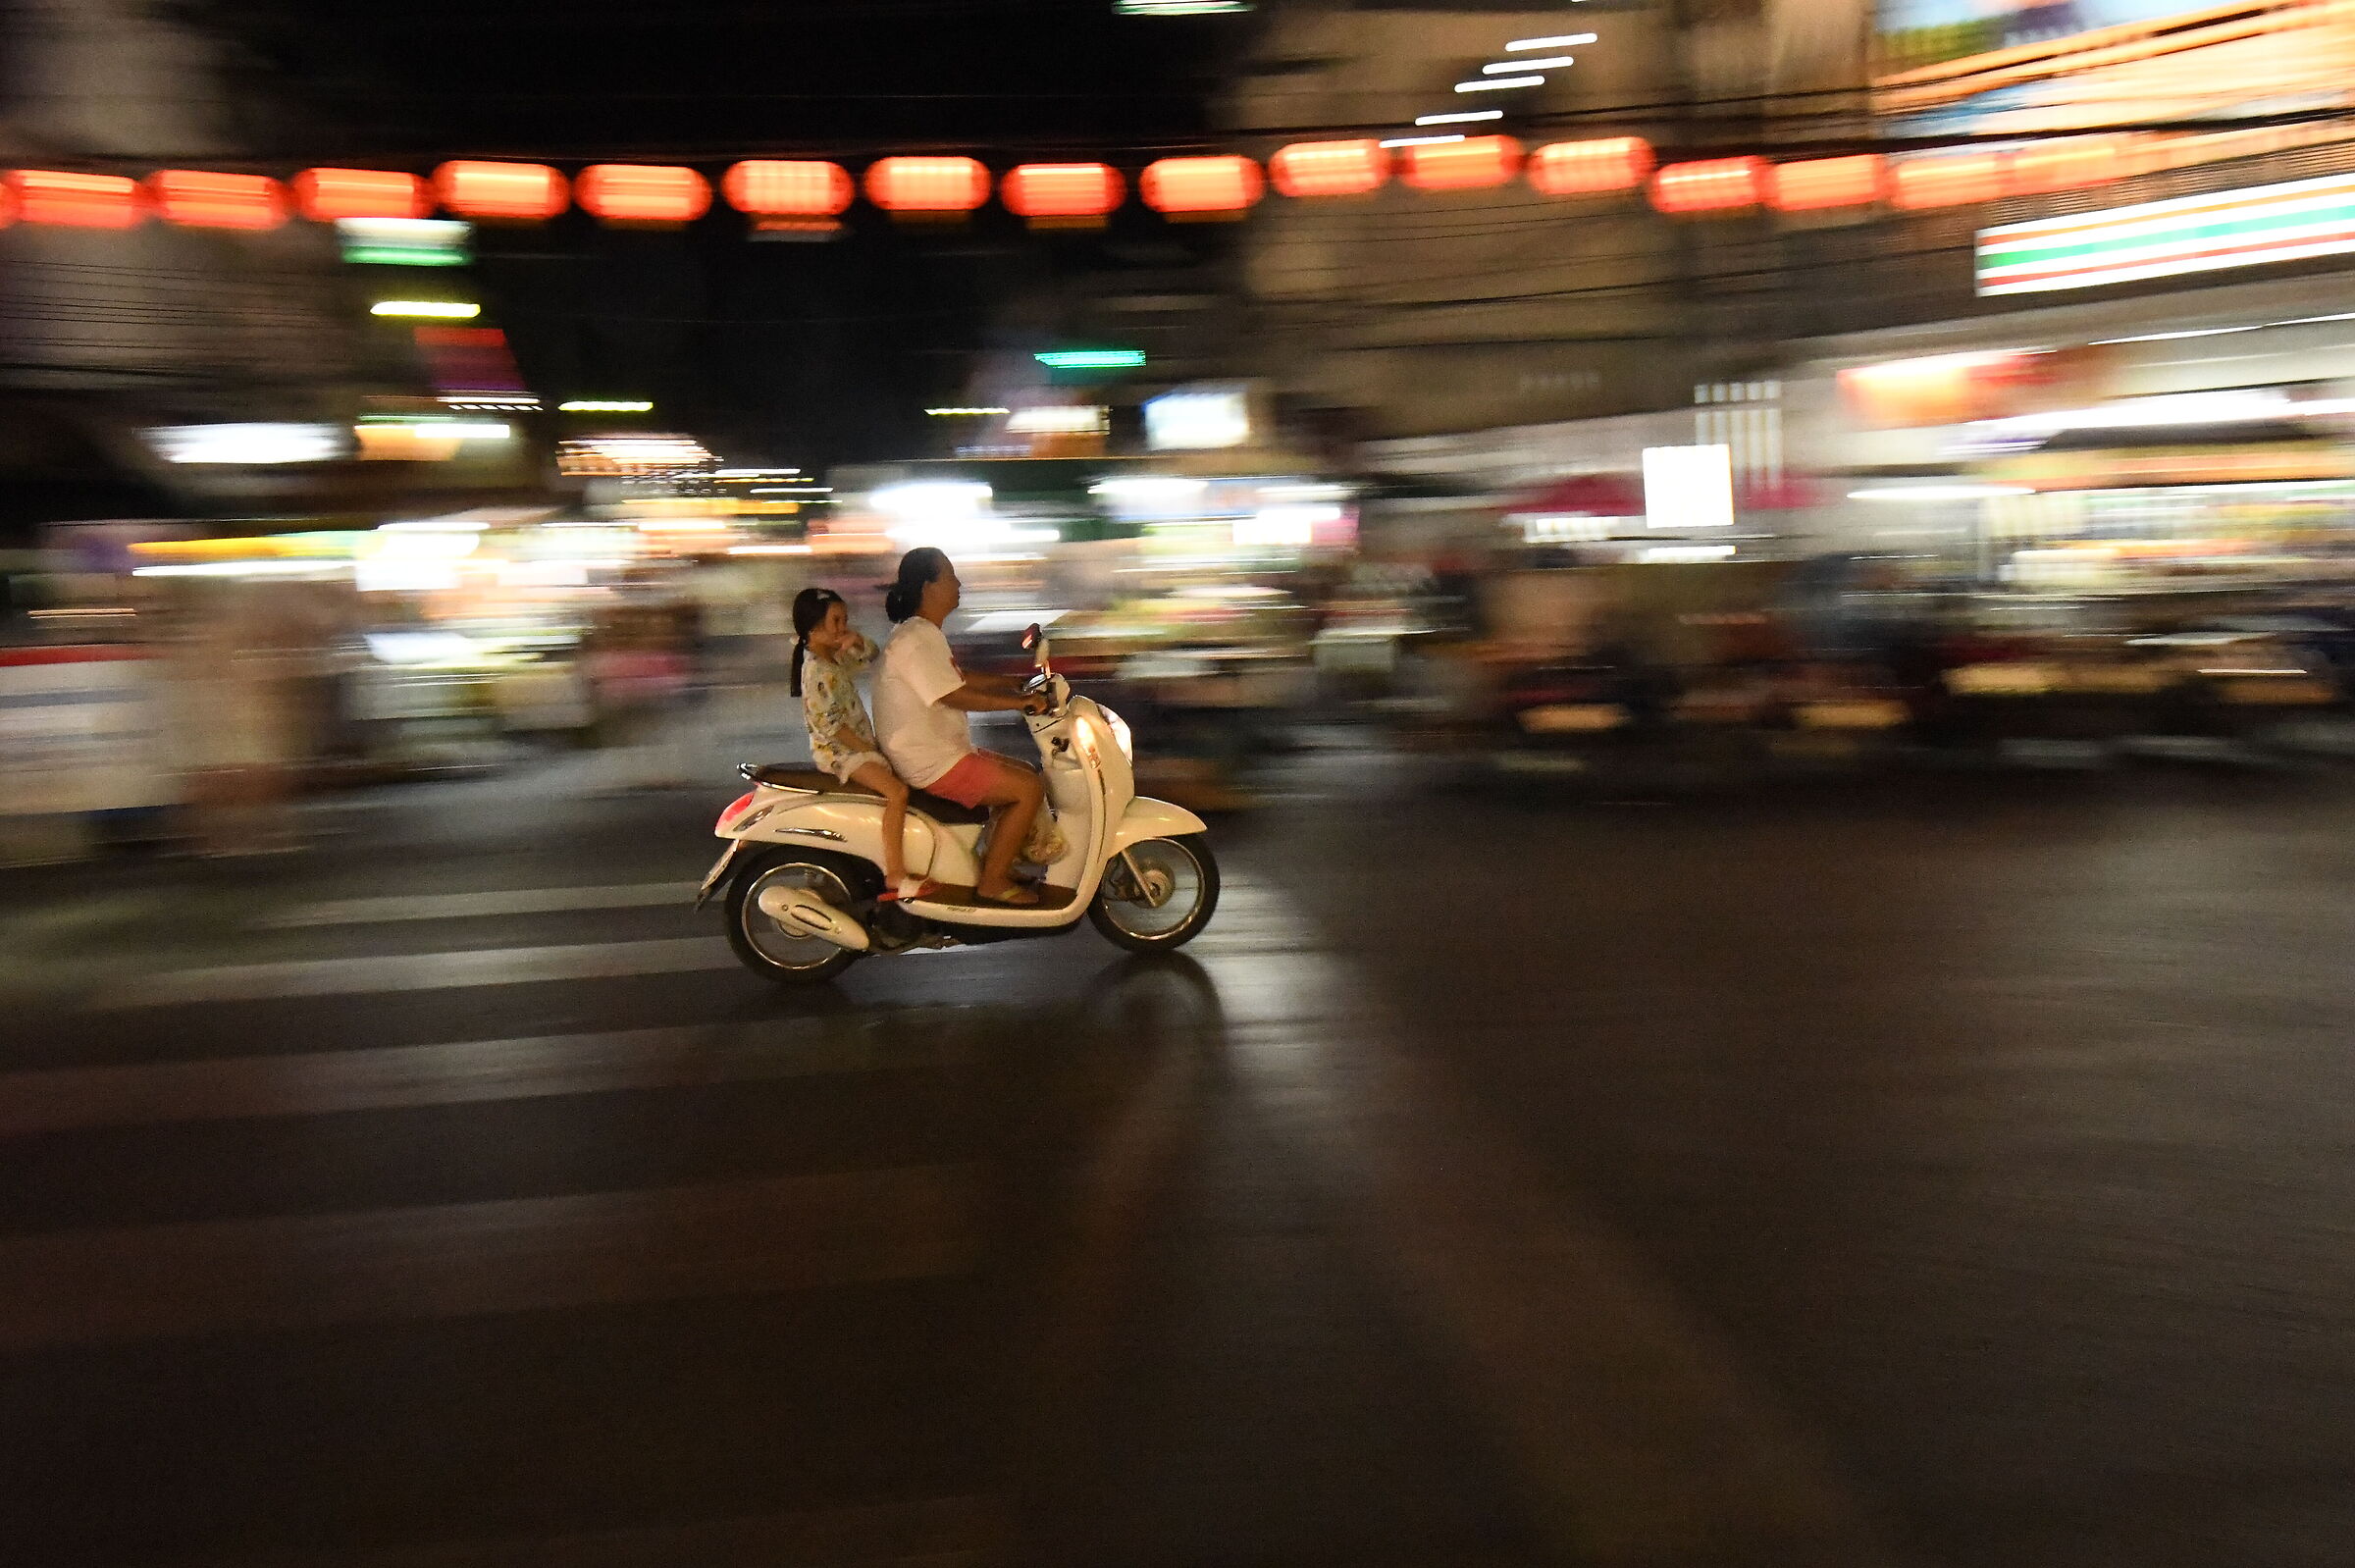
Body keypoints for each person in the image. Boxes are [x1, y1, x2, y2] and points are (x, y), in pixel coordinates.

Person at [872, 548, 1052, 906]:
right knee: (1028, 790)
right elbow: (953, 695)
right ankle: (993, 882)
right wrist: (1019, 703)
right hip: (930, 760)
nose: (958, 584)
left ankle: (993, 860)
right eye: (950, 576)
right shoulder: (917, 638)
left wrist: (1010, 683)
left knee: (1027, 772)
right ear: (928, 587)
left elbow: (959, 678)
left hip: (939, 750)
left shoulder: (921, 634)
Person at [791, 587, 936, 903]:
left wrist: (854, 638)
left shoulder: (832, 656)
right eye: (836, 621)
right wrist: (869, 751)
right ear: (814, 629)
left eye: (845, 619)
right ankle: (895, 871)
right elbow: (832, 726)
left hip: (855, 746)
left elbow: (872, 655)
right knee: (897, 793)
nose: (843, 626)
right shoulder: (816, 669)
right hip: (841, 753)